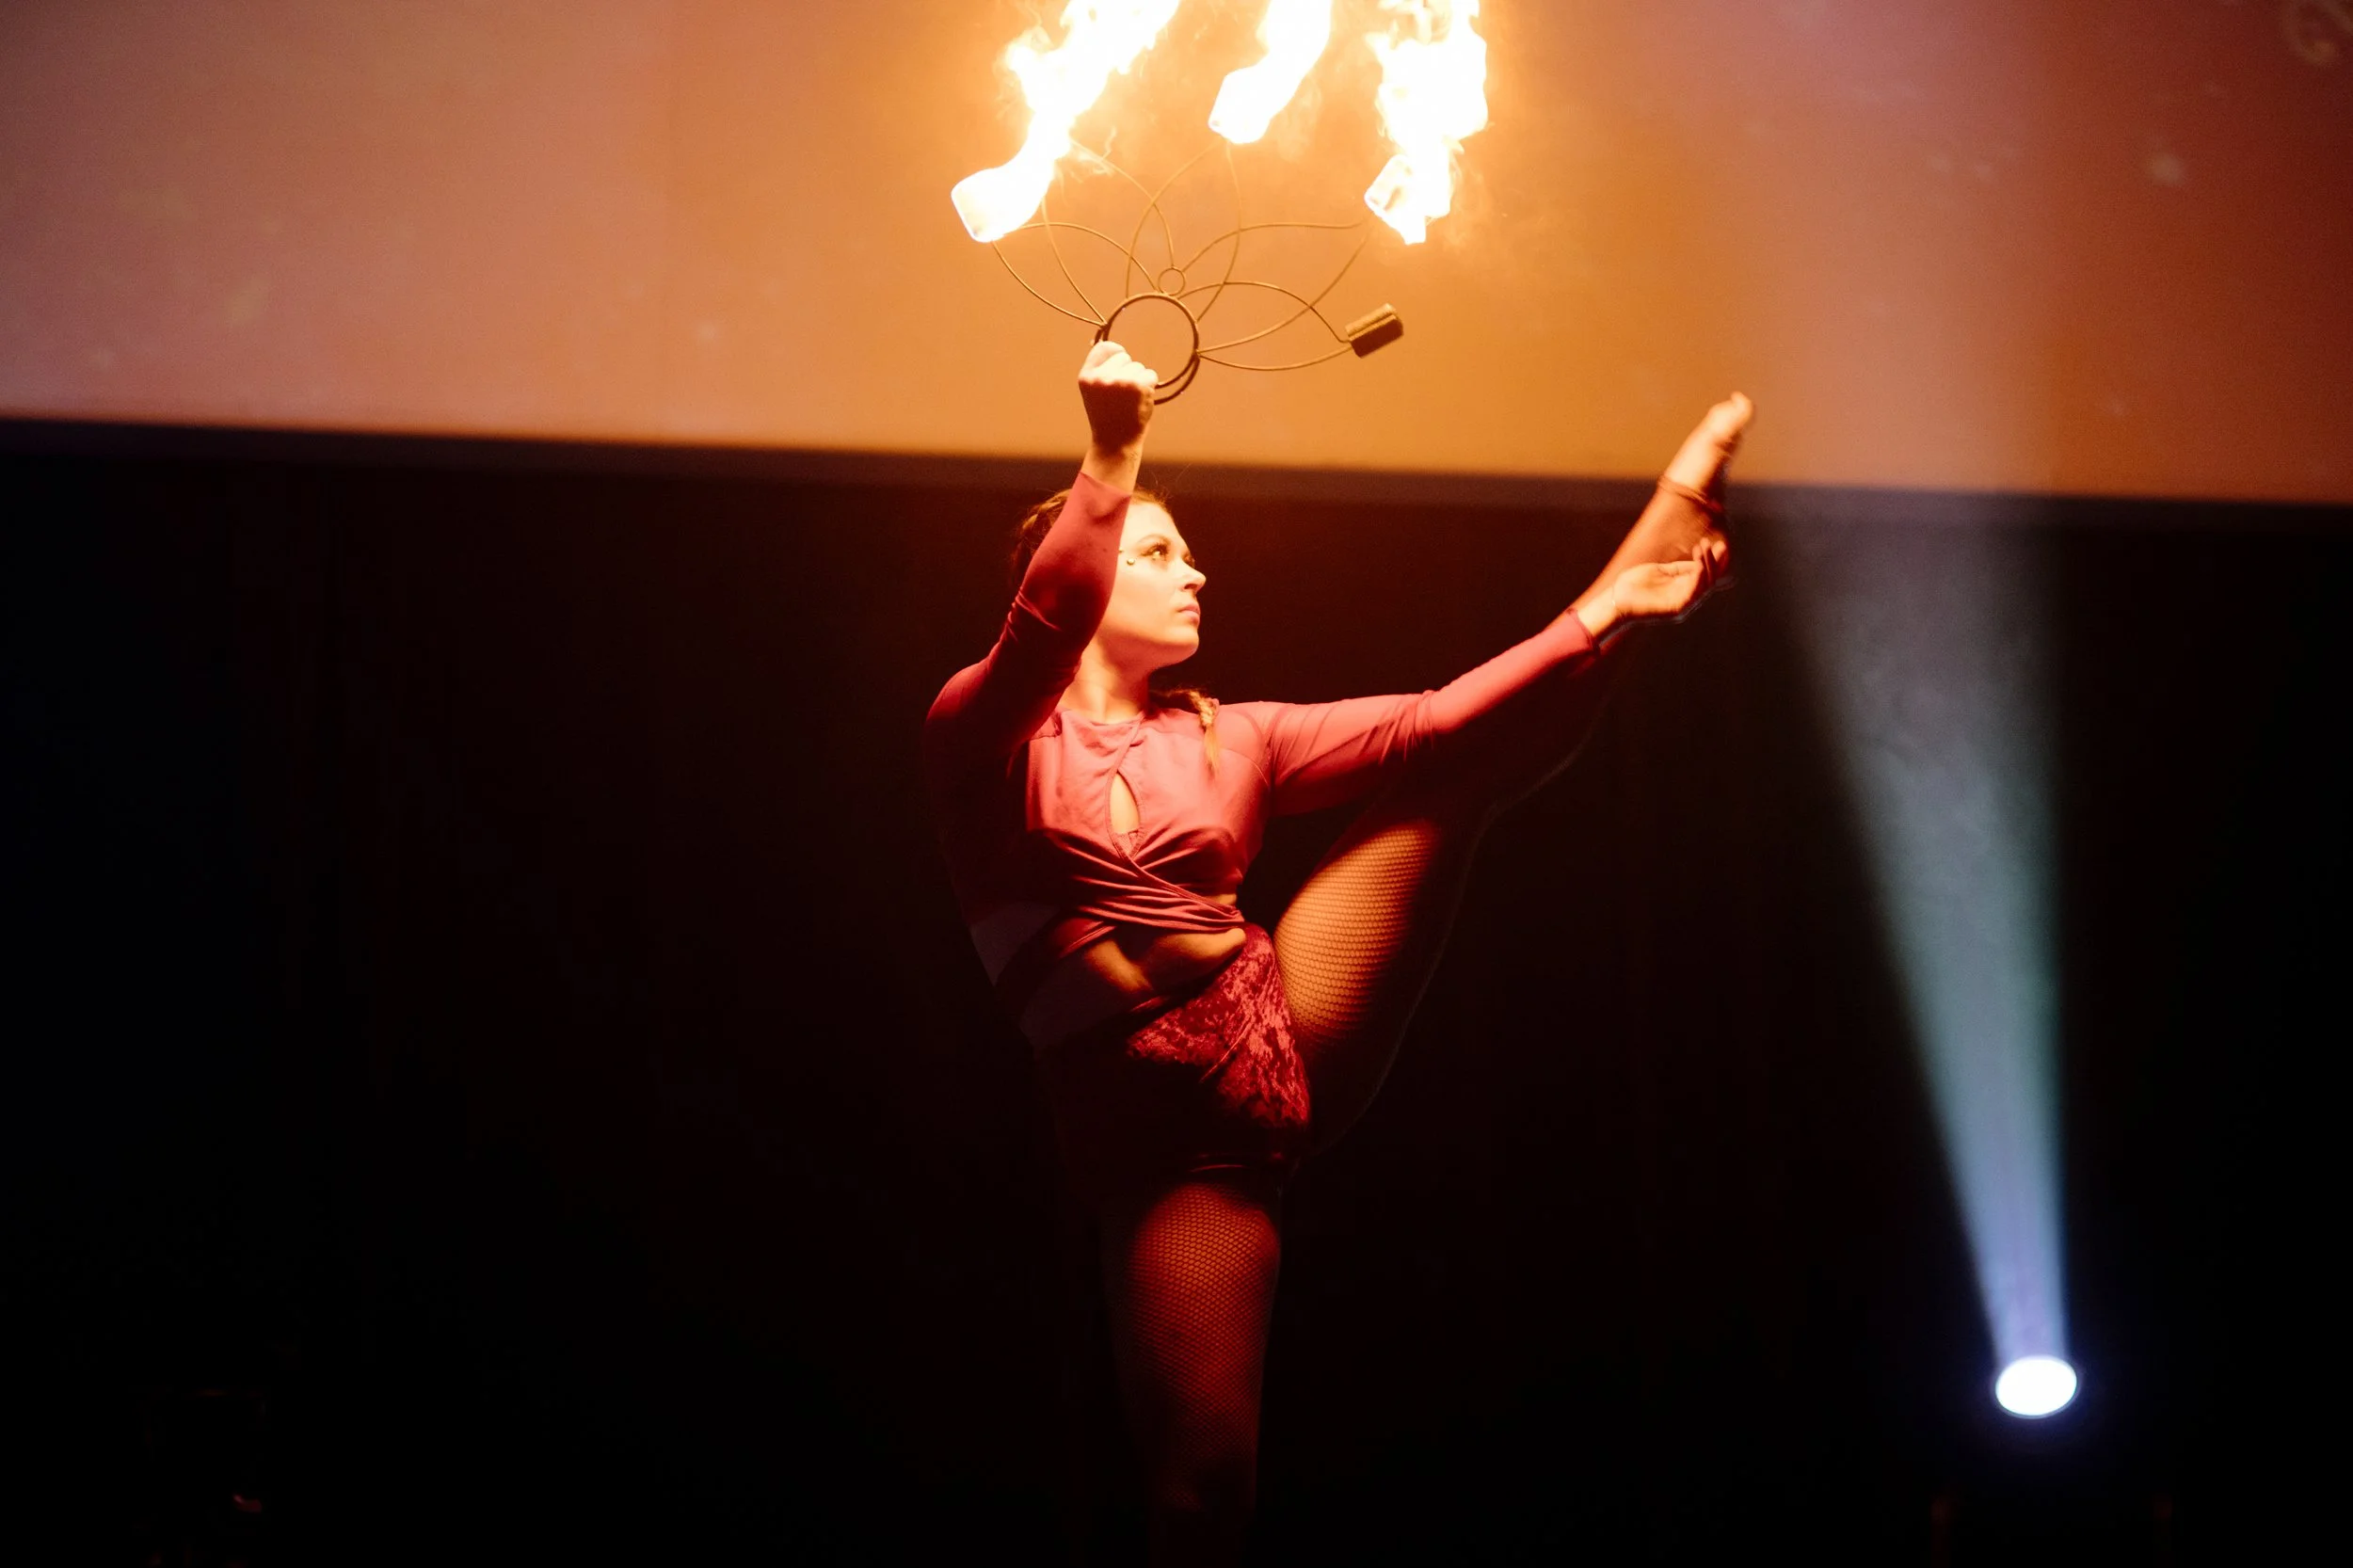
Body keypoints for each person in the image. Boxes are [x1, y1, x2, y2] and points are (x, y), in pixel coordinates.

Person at [924, 343, 1749, 1565]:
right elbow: (1040, 628)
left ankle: (1661, 538)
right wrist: (1112, 456)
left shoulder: (1239, 735)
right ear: (1092, 578)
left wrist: (1602, 612)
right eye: (1156, 552)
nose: (1194, 569)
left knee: (1463, 768)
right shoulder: (978, 734)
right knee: (1204, 1498)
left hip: (1281, 1024)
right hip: (1175, 1152)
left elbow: (1435, 719)